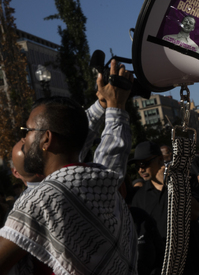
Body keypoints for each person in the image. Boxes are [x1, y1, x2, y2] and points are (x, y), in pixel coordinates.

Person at [0, 60, 138, 274]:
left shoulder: (42, 200)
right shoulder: (102, 183)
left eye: (26, 130)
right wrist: (109, 107)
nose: (23, 139)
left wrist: (109, 107)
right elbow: (74, 137)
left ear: (46, 140)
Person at [129, 141, 199, 275]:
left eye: (144, 164)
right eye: (137, 166)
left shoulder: (186, 180)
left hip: (194, 263)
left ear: (160, 159)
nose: (141, 170)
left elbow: (194, 213)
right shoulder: (139, 197)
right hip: (164, 268)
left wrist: (173, 182)